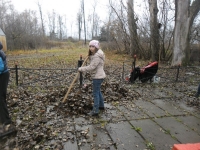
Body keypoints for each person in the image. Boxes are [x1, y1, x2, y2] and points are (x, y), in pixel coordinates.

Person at [78, 40, 106, 116]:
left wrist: (81, 69)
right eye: (90, 46)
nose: (91, 48)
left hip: (98, 77)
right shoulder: (98, 54)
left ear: (96, 47)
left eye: (93, 46)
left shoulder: (97, 56)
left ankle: (95, 111)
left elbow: (92, 67)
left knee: (95, 93)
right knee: (98, 91)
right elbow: (94, 61)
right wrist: (90, 56)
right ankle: (101, 106)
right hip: (99, 75)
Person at [0, 42, 17, 138]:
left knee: (1, 98)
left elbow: (1, 67)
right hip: (3, 75)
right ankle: (3, 117)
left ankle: (7, 121)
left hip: (3, 75)